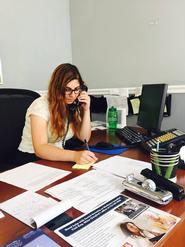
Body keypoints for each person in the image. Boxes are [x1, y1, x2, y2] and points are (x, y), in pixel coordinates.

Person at [18, 63, 97, 165]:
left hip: (56, 156)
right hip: (31, 159)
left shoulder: (72, 103)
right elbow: (40, 149)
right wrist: (74, 156)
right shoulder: (40, 106)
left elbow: (83, 138)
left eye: (76, 89)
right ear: (57, 88)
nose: (72, 95)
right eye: (67, 89)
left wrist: (86, 110)